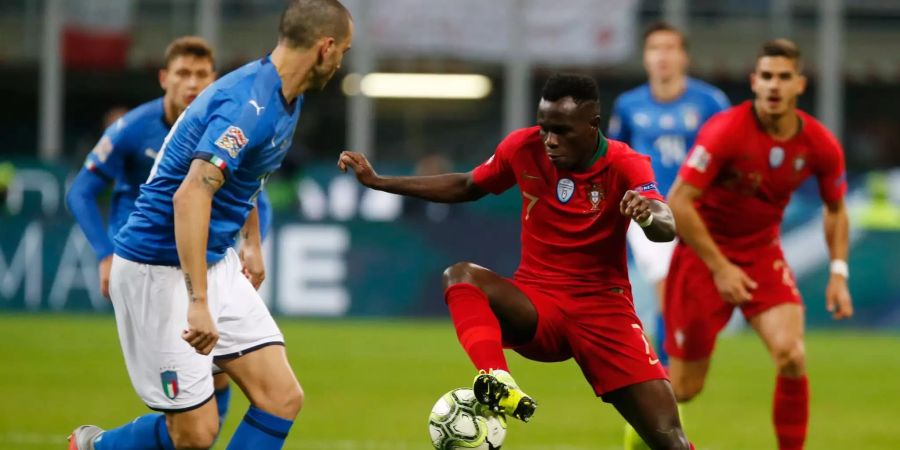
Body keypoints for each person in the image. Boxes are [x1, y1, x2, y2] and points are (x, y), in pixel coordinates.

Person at [340, 73, 696, 449]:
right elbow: (467, 185)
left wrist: (645, 215)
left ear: (592, 125)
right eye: (544, 128)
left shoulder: (625, 162)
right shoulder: (523, 148)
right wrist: (380, 182)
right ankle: (497, 378)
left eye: (561, 131)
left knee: (670, 440)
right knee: (461, 275)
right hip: (537, 306)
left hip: (604, 314)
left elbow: (666, 225)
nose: (550, 141)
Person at [67, 1, 353, 449]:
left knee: (281, 398)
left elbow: (247, 177)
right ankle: (95, 447)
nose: (342, 62)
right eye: (344, 51)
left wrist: (252, 242)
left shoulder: (286, 98)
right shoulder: (247, 104)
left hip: (216, 259)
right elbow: (190, 195)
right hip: (160, 271)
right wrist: (198, 300)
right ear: (326, 47)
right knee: (196, 435)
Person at [665, 39, 853, 450]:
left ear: (799, 85)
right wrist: (720, 268)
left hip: (761, 254)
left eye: (784, 77)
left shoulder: (819, 144)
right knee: (682, 388)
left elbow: (836, 209)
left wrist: (838, 272)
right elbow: (679, 201)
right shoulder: (726, 131)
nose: (774, 85)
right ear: (754, 81)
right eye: (766, 76)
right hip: (701, 257)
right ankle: (638, 437)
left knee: (791, 354)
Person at [608, 21, 730, 370]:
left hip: (696, 213)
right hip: (649, 210)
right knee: (667, 289)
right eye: (655, 49)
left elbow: (725, 155)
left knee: (685, 303)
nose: (662, 56)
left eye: (670, 48)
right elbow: (618, 155)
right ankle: (659, 374)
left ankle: (660, 369)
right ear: (646, 58)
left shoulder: (710, 102)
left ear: (683, 57)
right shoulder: (629, 105)